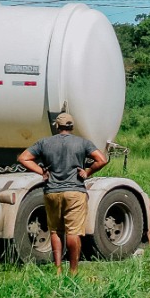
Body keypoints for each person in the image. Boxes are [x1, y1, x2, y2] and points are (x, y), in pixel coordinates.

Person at [16, 113, 107, 275]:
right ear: (72, 127)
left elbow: (23, 158)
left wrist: (42, 172)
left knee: (55, 231)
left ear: (57, 126)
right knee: (73, 232)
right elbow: (102, 159)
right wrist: (87, 172)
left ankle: (57, 269)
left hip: (52, 192)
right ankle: (73, 271)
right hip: (74, 192)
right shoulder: (82, 142)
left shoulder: (44, 142)